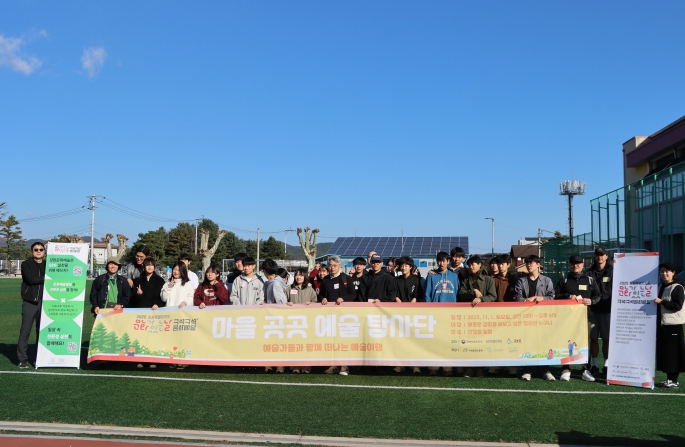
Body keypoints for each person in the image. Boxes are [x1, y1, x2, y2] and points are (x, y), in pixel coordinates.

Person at [554, 254, 600, 382]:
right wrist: (568, 296)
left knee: (585, 343)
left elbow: (598, 295)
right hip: (567, 318)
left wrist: (592, 301)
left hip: (585, 317)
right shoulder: (564, 280)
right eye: (573, 264)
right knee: (567, 342)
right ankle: (566, 369)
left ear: (582, 265)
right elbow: (555, 295)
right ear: (569, 265)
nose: (575, 266)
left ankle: (585, 370)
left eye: (578, 263)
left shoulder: (590, 280)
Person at [514, 254, 556, 381]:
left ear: (538, 264)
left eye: (531, 263)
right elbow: (516, 297)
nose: (528, 265)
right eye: (527, 263)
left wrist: (541, 298)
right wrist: (526, 300)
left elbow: (552, 297)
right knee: (527, 342)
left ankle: (545, 370)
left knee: (543, 343)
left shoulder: (547, 280)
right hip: (526, 317)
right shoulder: (521, 281)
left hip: (542, 317)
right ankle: (527, 370)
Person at [458, 255, 497, 378]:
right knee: (469, 342)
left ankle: (480, 368)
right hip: (469, 316)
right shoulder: (466, 280)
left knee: (482, 342)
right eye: (469, 264)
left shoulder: (488, 279)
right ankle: (470, 367)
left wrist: (481, 299)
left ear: (480, 265)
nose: (471, 266)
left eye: (473, 264)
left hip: (484, 316)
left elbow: (493, 296)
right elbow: (461, 294)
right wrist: (473, 291)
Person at [424, 252, 459, 376]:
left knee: (448, 341)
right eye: (439, 260)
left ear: (448, 261)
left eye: (444, 260)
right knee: (434, 341)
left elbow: (458, 293)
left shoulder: (454, 276)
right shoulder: (431, 276)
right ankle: (433, 367)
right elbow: (427, 294)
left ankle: (447, 368)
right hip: (435, 314)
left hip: (450, 314)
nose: (441, 263)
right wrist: (430, 309)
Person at [320, 256, 355, 376]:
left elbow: (353, 294)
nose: (332, 268)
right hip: (329, 316)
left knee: (344, 340)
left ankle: (344, 366)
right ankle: (333, 364)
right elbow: (320, 295)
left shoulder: (346, 278)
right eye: (330, 265)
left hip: (344, 316)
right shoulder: (325, 280)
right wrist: (323, 298)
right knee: (331, 340)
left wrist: (343, 299)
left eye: (334, 265)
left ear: (340, 266)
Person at [654, 262, 685, 388]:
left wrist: (662, 302)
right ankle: (669, 379)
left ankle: (674, 380)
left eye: (667, 271)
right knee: (667, 353)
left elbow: (677, 306)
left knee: (674, 354)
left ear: (673, 273)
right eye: (662, 271)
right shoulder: (662, 286)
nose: (664, 273)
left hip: (673, 324)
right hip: (664, 324)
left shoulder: (677, 287)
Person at [131, 258, 165, 369]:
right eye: (147, 265)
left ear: (154, 267)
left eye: (151, 265)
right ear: (144, 267)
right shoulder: (138, 280)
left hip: (156, 313)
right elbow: (132, 299)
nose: (149, 267)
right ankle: (141, 359)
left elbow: (163, 297)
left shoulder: (160, 280)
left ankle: (154, 360)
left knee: (154, 337)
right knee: (142, 337)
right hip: (142, 313)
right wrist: (138, 294)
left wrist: (158, 304)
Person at [17, 242, 46, 369]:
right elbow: (30, 279)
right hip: (30, 302)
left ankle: (39, 359)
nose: (38, 251)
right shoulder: (26, 264)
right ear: (32, 251)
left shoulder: (48, 264)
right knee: (25, 331)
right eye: (36, 249)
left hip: (45, 303)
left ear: (44, 251)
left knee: (42, 332)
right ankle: (22, 359)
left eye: (41, 249)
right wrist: (48, 277)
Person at [395, 256, 423, 374]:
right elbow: (395, 295)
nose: (404, 268)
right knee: (400, 340)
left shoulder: (416, 280)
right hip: (399, 313)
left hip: (413, 313)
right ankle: (400, 365)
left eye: (406, 265)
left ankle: (415, 366)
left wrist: (410, 306)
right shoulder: (396, 280)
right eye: (402, 265)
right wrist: (401, 306)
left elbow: (417, 295)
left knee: (413, 340)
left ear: (410, 267)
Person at [587, 247, 612, 376]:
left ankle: (607, 365)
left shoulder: (613, 271)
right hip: (592, 311)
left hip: (607, 310)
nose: (599, 257)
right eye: (597, 255)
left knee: (607, 339)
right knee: (593, 339)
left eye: (602, 255)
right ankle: (595, 365)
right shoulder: (589, 272)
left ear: (606, 256)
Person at [287, 268, 318, 374]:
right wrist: (288, 304)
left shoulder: (310, 289)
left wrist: (311, 304)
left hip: (307, 322)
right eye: (297, 275)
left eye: (301, 275)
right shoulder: (289, 288)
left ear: (305, 276)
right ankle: (295, 367)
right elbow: (283, 302)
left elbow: (316, 302)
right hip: (293, 322)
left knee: (306, 344)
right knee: (294, 344)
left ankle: (306, 367)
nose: (298, 277)